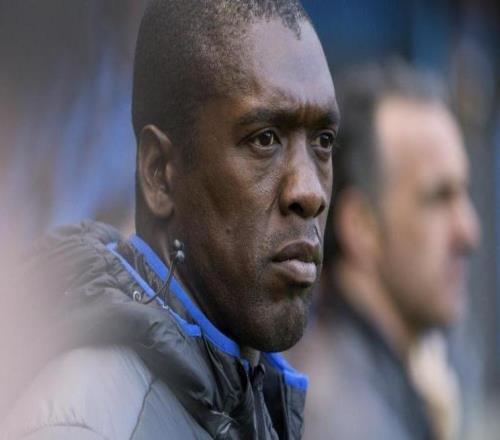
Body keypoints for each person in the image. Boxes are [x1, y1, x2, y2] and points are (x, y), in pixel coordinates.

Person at [0, 1, 339, 439]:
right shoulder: (86, 426)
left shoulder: (252, 396)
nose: (309, 192)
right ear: (159, 173)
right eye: (265, 139)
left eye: (323, 141)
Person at [293, 63, 480, 440]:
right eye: (438, 198)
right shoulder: (337, 415)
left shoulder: (400, 382)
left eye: (464, 193)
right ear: (361, 227)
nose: (469, 231)